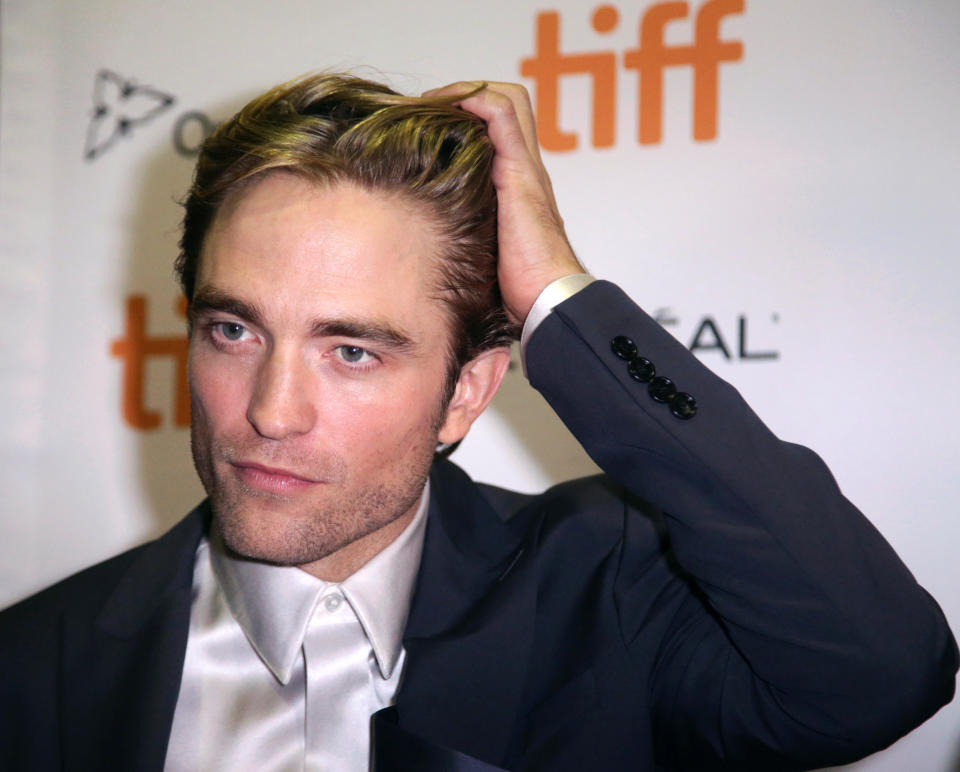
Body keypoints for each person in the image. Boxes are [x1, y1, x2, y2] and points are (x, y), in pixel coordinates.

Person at [0, 72, 955, 772]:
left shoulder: (605, 589)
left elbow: (880, 672)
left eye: (353, 351)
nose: (268, 413)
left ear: (467, 390)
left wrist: (563, 304)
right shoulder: (34, 665)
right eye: (234, 329)